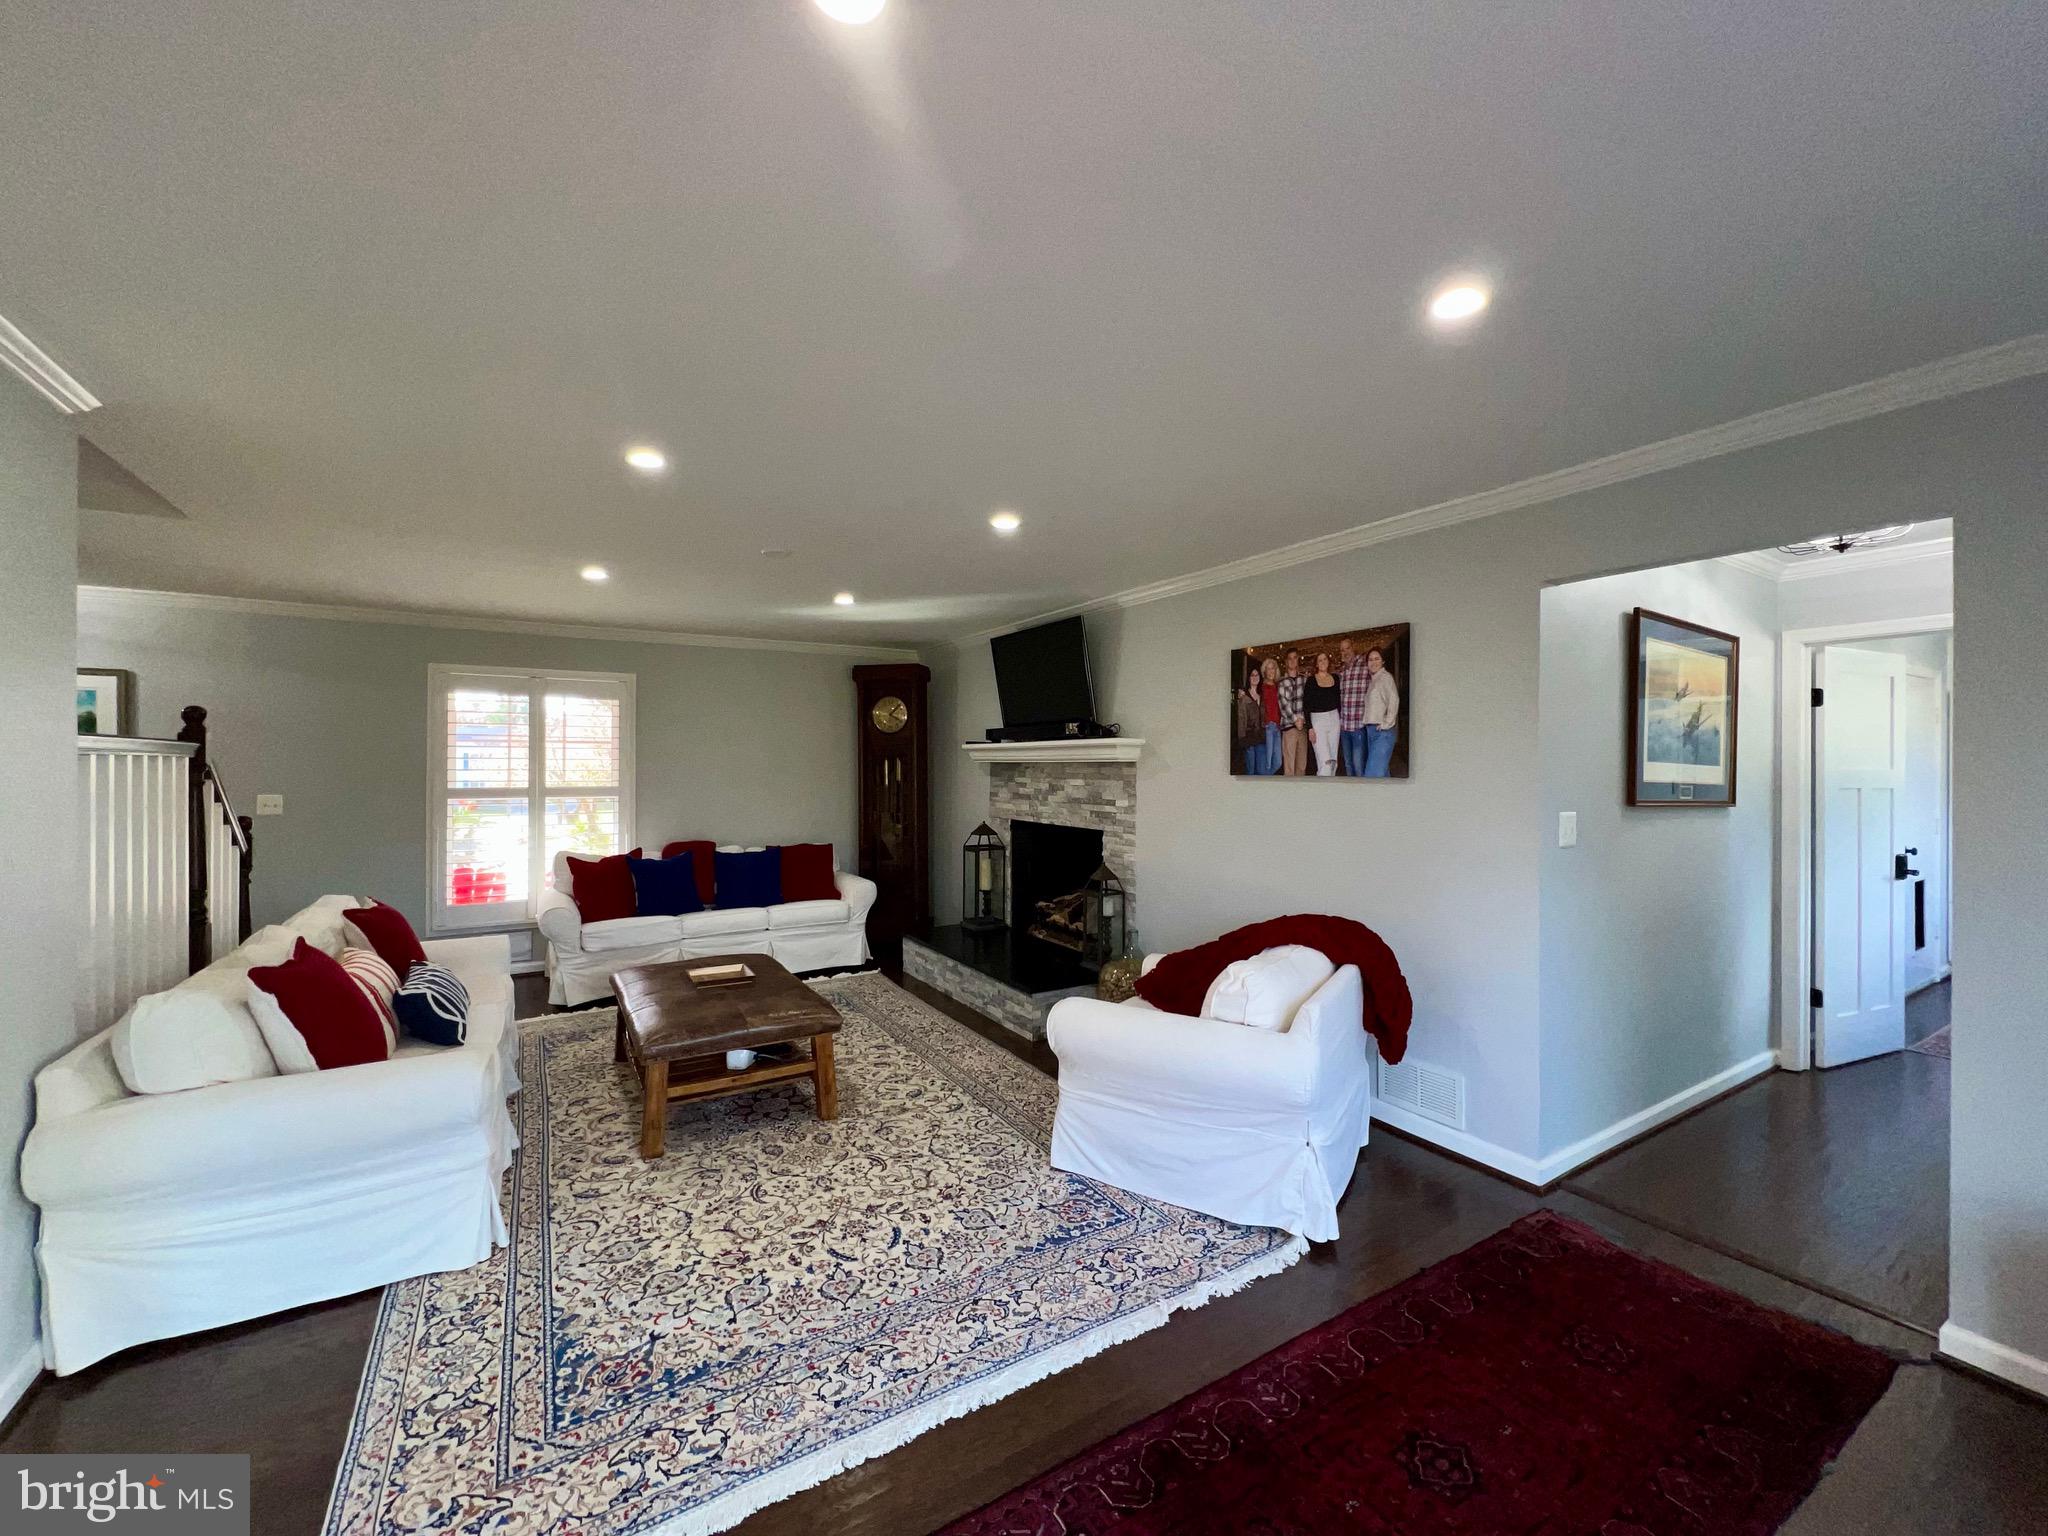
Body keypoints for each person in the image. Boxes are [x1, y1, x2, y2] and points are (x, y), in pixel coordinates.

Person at [1362, 647, 1401, 776]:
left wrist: (1387, 723)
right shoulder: (1374, 680)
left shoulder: (1385, 677)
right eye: (1370, 659)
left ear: (1382, 661)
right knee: (1382, 776)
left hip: (1382, 732)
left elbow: (1394, 700)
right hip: (1372, 731)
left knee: (1372, 775)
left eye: (1377, 658)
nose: (1373, 662)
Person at [1336, 635, 1370, 776]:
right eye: (1342, 650)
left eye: (1347, 648)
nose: (1345, 652)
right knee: (1348, 765)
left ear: (1353, 647)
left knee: (1358, 765)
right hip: (1344, 727)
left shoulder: (1365, 665)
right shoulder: (1342, 671)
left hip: (1358, 726)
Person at [1306, 652, 1342, 775]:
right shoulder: (1311, 681)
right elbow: (1306, 706)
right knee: (1325, 763)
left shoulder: (1336, 678)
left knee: (1334, 762)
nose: (1322, 662)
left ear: (1328, 661)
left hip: (1334, 719)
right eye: (1320, 660)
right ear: (1316, 664)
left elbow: (1339, 702)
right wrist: (1309, 728)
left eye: (1325, 659)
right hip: (1318, 721)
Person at [1278, 649, 1308, 776]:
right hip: (1289, 728)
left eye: (1294, 657)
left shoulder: (1304, 680)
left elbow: (1308, 702)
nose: (1292, 660)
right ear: (1286, 662)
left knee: (1301, 766)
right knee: (1289, 767)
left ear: (1297, 660)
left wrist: (1302, 720)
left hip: (1303, 728)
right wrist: (1296, 720)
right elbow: (1283, 705)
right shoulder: (1281, 682)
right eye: (1289, 658)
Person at [1257, 656, 1283, 774]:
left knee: (1278, 762)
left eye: (1273, 668)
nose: (1271, 671)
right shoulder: (1261, 687)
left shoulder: (1278, 686)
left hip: (1277, 727)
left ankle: (1264, 780)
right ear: (1264, 671)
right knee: (1267, 763)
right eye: (1268, 669)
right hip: (1268, 727)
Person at [1236, 658, 1263, 773]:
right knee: (1251, 771)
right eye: (1252, 675)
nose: (1255, 677)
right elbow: (1241, 719)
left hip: (1260, 737)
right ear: (1249, 677)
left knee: (1259, 769)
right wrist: (1242, 738)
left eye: (1257, 675)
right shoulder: (1244, 696)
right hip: (1249, 737)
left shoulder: (1262, 695)